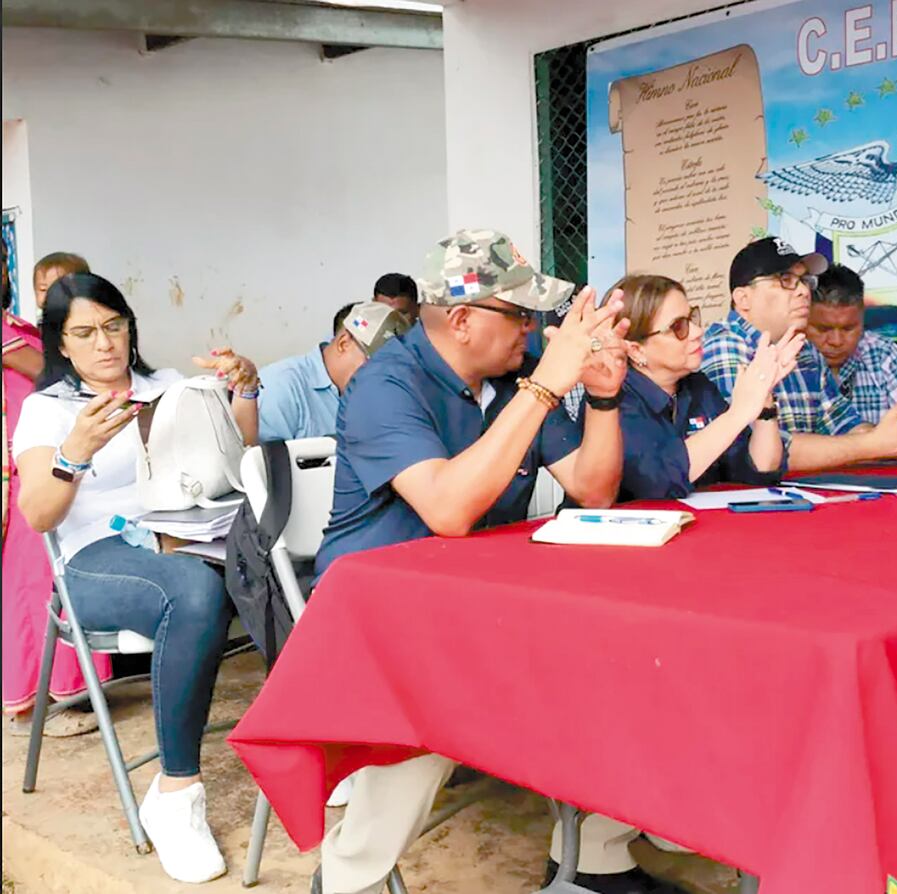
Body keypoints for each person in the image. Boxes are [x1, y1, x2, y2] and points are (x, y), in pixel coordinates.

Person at [311, 230, 679, 894]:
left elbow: (593, 488)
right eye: (521, 316)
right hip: (373, 613)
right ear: (460, 319)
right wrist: (545, 384)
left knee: (631, 649)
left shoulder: (510, 379)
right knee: (424, 706)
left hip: (483, 599)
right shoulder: (385, 385)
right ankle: (347, 881)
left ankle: (594, 857)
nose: (533, 331)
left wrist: (599, 397)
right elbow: (448, 509)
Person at [11, 273, 260, 884]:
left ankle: (313, 740)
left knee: (278, 566)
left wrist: (245, 392)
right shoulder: (48, 410)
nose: (104, 344)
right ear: (60, 344)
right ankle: (177, 794)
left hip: (183, 540)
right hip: (94, 561)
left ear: (130, 329)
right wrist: (74, 453)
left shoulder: (168, 387)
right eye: (85, 333)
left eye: (114, 327)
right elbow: (39, 514)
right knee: (195, 590)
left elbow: (238, 459)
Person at [702, 237, 897, 471]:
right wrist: (873, 445)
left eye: (803, 281)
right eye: (786, 280)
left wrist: (890, 436)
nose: (803, 291)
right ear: (743, 298)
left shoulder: (804, 349)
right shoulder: (724, 347)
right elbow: (758, 452)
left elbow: (841, 423)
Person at [3, 246, 113, 734]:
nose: (53, 298)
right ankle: (34, 702)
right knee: (32, 583)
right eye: (44, 291)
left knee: (55, 574)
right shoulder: (20, 339)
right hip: (30, 471)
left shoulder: (28, 331)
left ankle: (73, 689)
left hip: (68, 460)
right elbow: (49, 378)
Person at [594, 274, 803, 501]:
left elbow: (759, 471)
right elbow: (658, 482)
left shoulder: (697, 386)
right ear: (636, 350)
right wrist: (738, 414)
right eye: (679, 327)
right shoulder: (614, 399)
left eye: (692, 318)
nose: (697, 332)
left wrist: (763, 399)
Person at [808, 264, 897, 424]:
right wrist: (872, 440)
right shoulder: (785, 362)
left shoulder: (880, 351)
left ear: (862, 319)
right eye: (823, 329)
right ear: (802, 318)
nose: (836, 341)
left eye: (848, 328)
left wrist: (872, 440)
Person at [256, 301, 406, 443]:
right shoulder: (282, 387)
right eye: (375, 364)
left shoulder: (382, 397)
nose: (383, 377)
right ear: (343, 344)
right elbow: (262, 464)